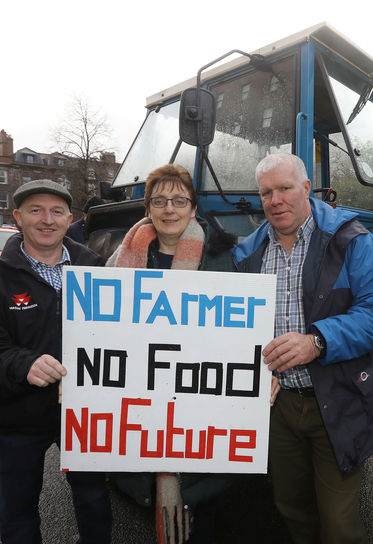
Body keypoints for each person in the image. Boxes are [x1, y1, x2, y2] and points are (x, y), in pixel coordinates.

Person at [232, 153, 373, 543]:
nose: (275, 200)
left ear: (307, 189)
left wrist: (318, 341)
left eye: (284, 188)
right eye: (265, 193)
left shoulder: (350, 240)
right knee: (290, 506)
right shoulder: (247, 255)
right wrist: (253, 374)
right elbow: (235, 328)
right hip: (279, 406)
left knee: (339, 523)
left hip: (337, 397)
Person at [0, 179, 112, 544]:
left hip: (83, 412)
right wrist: (23, 364)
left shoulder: (96, 269)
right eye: (36, 211)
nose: (47, 220)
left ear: (70, 218)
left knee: (94, 499)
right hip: (14, 414)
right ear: (18, 218)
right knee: (19, 508)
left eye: (56, 212)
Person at [107, 164, 251, 544]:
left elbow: (242, 335)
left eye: (178, 200)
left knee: (202, 514)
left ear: (192, 207)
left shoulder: (224, 260)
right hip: (141, 399)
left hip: (200, 408)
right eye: (160, 200)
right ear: (148, 208)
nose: (169, 209)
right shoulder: (120, 261)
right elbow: (97, 332)